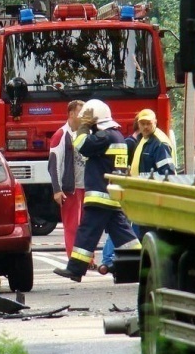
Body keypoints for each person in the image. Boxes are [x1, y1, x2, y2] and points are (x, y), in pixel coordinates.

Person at [54, 99, 141, 282]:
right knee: (124, 236)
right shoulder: (116, 135)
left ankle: (75, 269)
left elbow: (81, 145)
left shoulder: (104, 136)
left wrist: (84, 127)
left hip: (101, 196)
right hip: (111, 194)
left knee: (87, 231)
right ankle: (142, 265)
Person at [99, 115, 141, 275]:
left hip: (130, 190)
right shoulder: (131, 144)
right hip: (127, 190)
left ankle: (117, 257)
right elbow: (121, 168)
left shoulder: (134, 143)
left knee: (127, 225)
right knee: (122, 224)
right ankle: (108, 259)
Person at [48, 100, 86, 259]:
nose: (84, 116)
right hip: (71, 188)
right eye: (81, 113)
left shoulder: (85, 133)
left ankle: (86, 258)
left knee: (86, 225)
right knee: (72, 225)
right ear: (71, 114)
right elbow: (53, 164)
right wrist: (57, 190)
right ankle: (74, 258)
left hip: (86, 186)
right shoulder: (61, 134)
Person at [130, 108, 176, 176]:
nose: (145, 126)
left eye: (149, 123)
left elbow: (168, 173)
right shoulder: (143, 139)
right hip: (142, 182)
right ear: (138, 124)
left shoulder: (160, 143)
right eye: (142, 124)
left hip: (152, 183)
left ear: (155, 123)